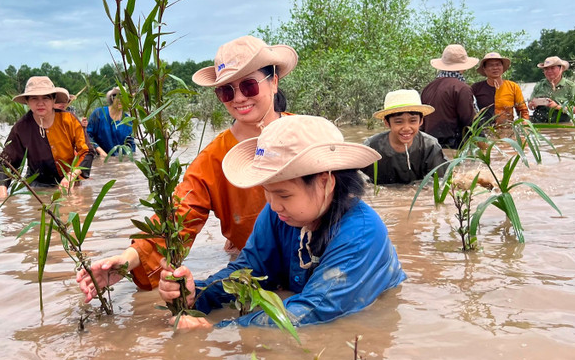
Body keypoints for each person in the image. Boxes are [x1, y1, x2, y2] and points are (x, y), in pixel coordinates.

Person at [77, 35, 298, 299]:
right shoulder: (214, 157)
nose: (238, 98)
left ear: (274, 82)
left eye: (249, 86)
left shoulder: (306, 134)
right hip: (255, 269)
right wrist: (128, 260)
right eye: (226, 91)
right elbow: (180, 214)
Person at [158, 115, 406, 328]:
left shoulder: (360, 233)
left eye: (284, 194)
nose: (273, 205)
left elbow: (313, 311)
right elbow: (247, 272)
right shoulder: (279, 213)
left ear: (326, 182)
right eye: (267, 191)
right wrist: (198, 293)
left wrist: (219, 329)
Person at [0, 77, 95, 199]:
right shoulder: (21, 127)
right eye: (34, 98)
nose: (40, 103)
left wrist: (71, 175)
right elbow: (7, 162)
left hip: (70, 181)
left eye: (45, 98)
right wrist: (2, 195)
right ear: (27, 101)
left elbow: (87, 151)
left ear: (54, 100)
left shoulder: (69, 120)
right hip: (38, 186)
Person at [362, 90, 447, 185]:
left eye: (413, 121)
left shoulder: (430, 146)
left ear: (421, 121)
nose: (406, 128)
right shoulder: (371, 147)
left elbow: (440, 182)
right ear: (387, 122)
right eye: (399, 122)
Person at [421, 44, 479, 149]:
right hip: (452, 145)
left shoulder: (428, 87)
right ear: (464, 68)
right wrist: (483, 143)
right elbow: (470, 122)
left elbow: (422, 122)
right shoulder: (462, 88)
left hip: (429, 145)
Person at [470, 52, 529, 126]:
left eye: (498, 64)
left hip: (507, 129)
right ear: (484, 69)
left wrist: (524, 127)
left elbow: (523, 111)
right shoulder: (476, 88)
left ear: (502, 67)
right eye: (491, 65)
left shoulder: (513, 87)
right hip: (485, 130)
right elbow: (468, 109)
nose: (495, 68)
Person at [528, 56, 575, 124]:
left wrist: (557, 107)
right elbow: (530, 106)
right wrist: (531, 105)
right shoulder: (539, 86)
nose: (549, 71)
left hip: (562, 123)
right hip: (539, 122)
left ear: (561, 69)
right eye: (546, 69)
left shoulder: (571, 87)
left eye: (552, 68)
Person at [87, 87, 135, 157]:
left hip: (120, 160)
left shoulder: (128, 120)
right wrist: (100, 151)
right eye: (118, 97)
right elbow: (88, 135)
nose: (120, 100)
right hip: (100, 157)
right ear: (112, 98)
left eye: (123, 97)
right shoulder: (98, 113)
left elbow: (131, 145)